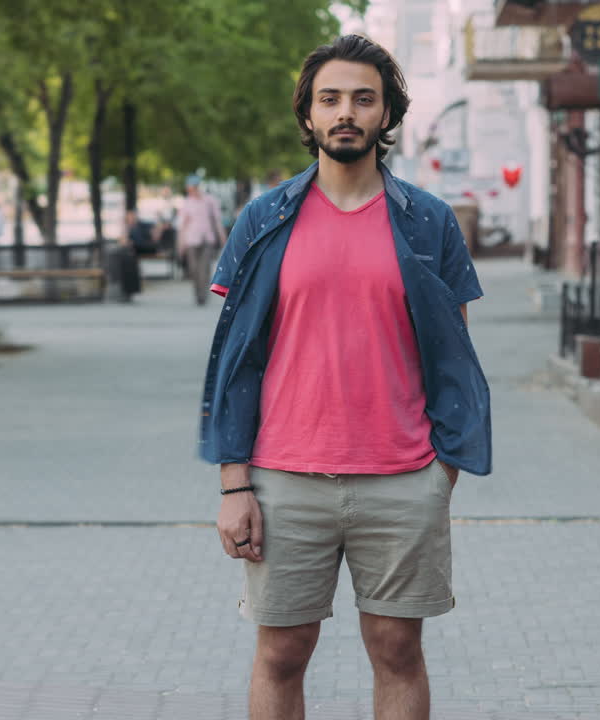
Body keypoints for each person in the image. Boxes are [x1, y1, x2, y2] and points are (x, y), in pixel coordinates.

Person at [199, 35, 491, 720]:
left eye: (364, 98)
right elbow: (235, 361)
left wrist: (440, 474)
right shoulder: (264, 220)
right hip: (282, 477)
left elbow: (455, 358)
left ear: (386, 113)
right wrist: (233, 483)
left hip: (401, 476)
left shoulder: (428, 222)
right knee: (282, 652)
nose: (346, 112)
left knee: (395, 648)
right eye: (330, 99)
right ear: (308, 116)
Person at [176, 175, 225, 305]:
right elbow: (182, 226)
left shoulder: (210, 201)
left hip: (207, 239)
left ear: (196, 187)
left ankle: (202, 296)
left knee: (204, 269)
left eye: (191, 187)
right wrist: (181, 244)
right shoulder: (187, 203)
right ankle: (197, 293)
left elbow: (217, 221)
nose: (190, 190)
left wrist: (223, 238)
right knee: (193, 269)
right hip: (191, 240)